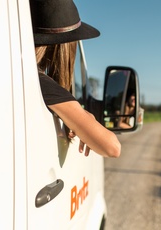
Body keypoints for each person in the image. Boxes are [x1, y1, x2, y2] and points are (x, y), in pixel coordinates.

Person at [30, 0, 121, 158]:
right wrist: (83, 118)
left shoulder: (20, 78)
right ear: (63, 49)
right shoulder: (41, 83)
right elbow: (112, 147)